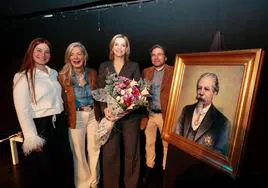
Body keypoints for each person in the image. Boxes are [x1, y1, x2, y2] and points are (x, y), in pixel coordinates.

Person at [13, 37, 74, 188]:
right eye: (39, 50)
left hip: (58, 123)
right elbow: (22, 109)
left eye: (46, 52)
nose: (43, 54)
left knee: (63, 165)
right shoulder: (22, 76)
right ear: (31, 52)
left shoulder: (53, 73)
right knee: (44, 170)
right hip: (41, 126)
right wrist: (32, 137)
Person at [98, 34, 141, 188]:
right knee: (110, 154)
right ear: (112, 47)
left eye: (123, 45)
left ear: (127, 48)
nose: (119, 48)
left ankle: (131, 184)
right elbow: (99, 89)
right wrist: (105, 109)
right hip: (111, 117)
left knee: (131, 153)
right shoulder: (104, 66)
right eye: (117, 44)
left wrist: (125, 108)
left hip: (130, 117)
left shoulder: (134, 66)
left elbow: (137, 92)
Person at [58, 42, 101, 188]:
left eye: (79, 53)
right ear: (68, 57)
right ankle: (83, 184)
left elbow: (100, 95)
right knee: (78, 152)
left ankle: (94, 182)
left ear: (84, 56)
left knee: (94, 149)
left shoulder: (92, 73)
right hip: (76, 117)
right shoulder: (63, 76)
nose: (76, 57)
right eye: (72, 54)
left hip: (93, 116)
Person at [140, 44, 174, 183]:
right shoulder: (146, 71)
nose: (156, 57)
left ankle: (166, 169)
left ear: (165, 57)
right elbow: (141, 92)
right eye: (153, 55)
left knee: (166, 144)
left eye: (159, 54)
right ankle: (149, 167)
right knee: (149, 143)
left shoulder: (174, 71)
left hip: (165, 115)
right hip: (149, 114)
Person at [175, 72, 230, 156]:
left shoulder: (223, 123)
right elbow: (176, 138)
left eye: (206, 89)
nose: (201, 92)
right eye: (199, 88)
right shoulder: (186, 110)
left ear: (215, 93)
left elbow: (218, 156)